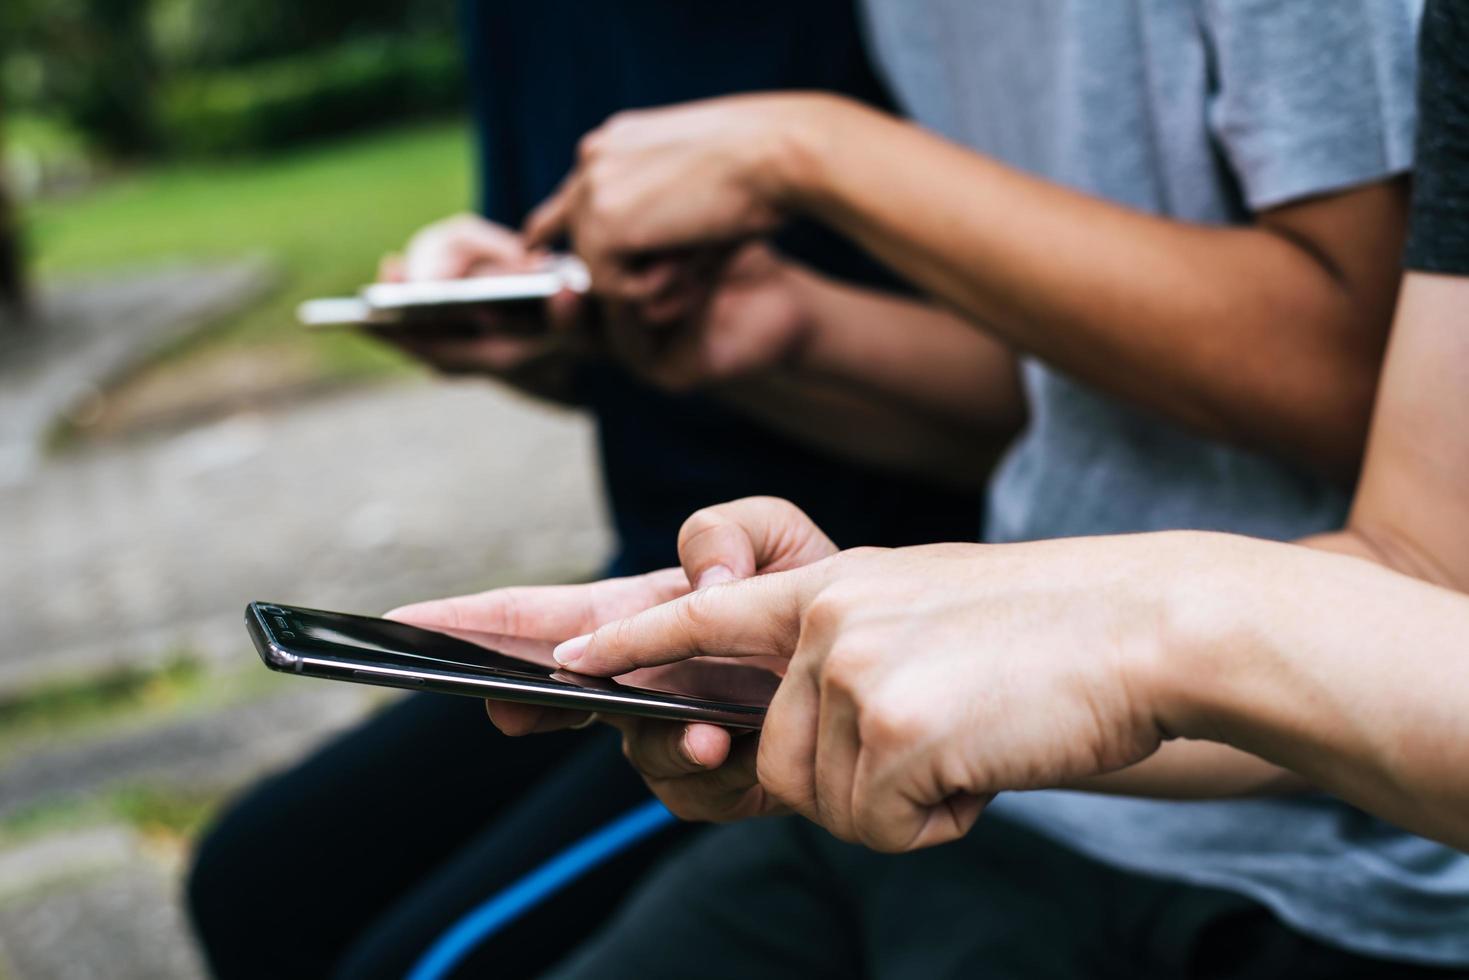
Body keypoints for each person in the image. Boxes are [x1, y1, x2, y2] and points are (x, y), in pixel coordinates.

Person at [395, 1, 1469, 976]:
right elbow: (1418, 569)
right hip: (1050, 799)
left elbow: (1379, 531)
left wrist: (810, 148)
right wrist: (896, 636)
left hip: (1337, 884)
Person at [185, 3, 983, 979]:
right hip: (641, 599)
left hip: (877, 601)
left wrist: (772, 317)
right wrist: (523, 326)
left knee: (420, 959)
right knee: (248, 879)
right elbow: (610, 335)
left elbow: (1058, 414)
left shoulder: (902, 37)